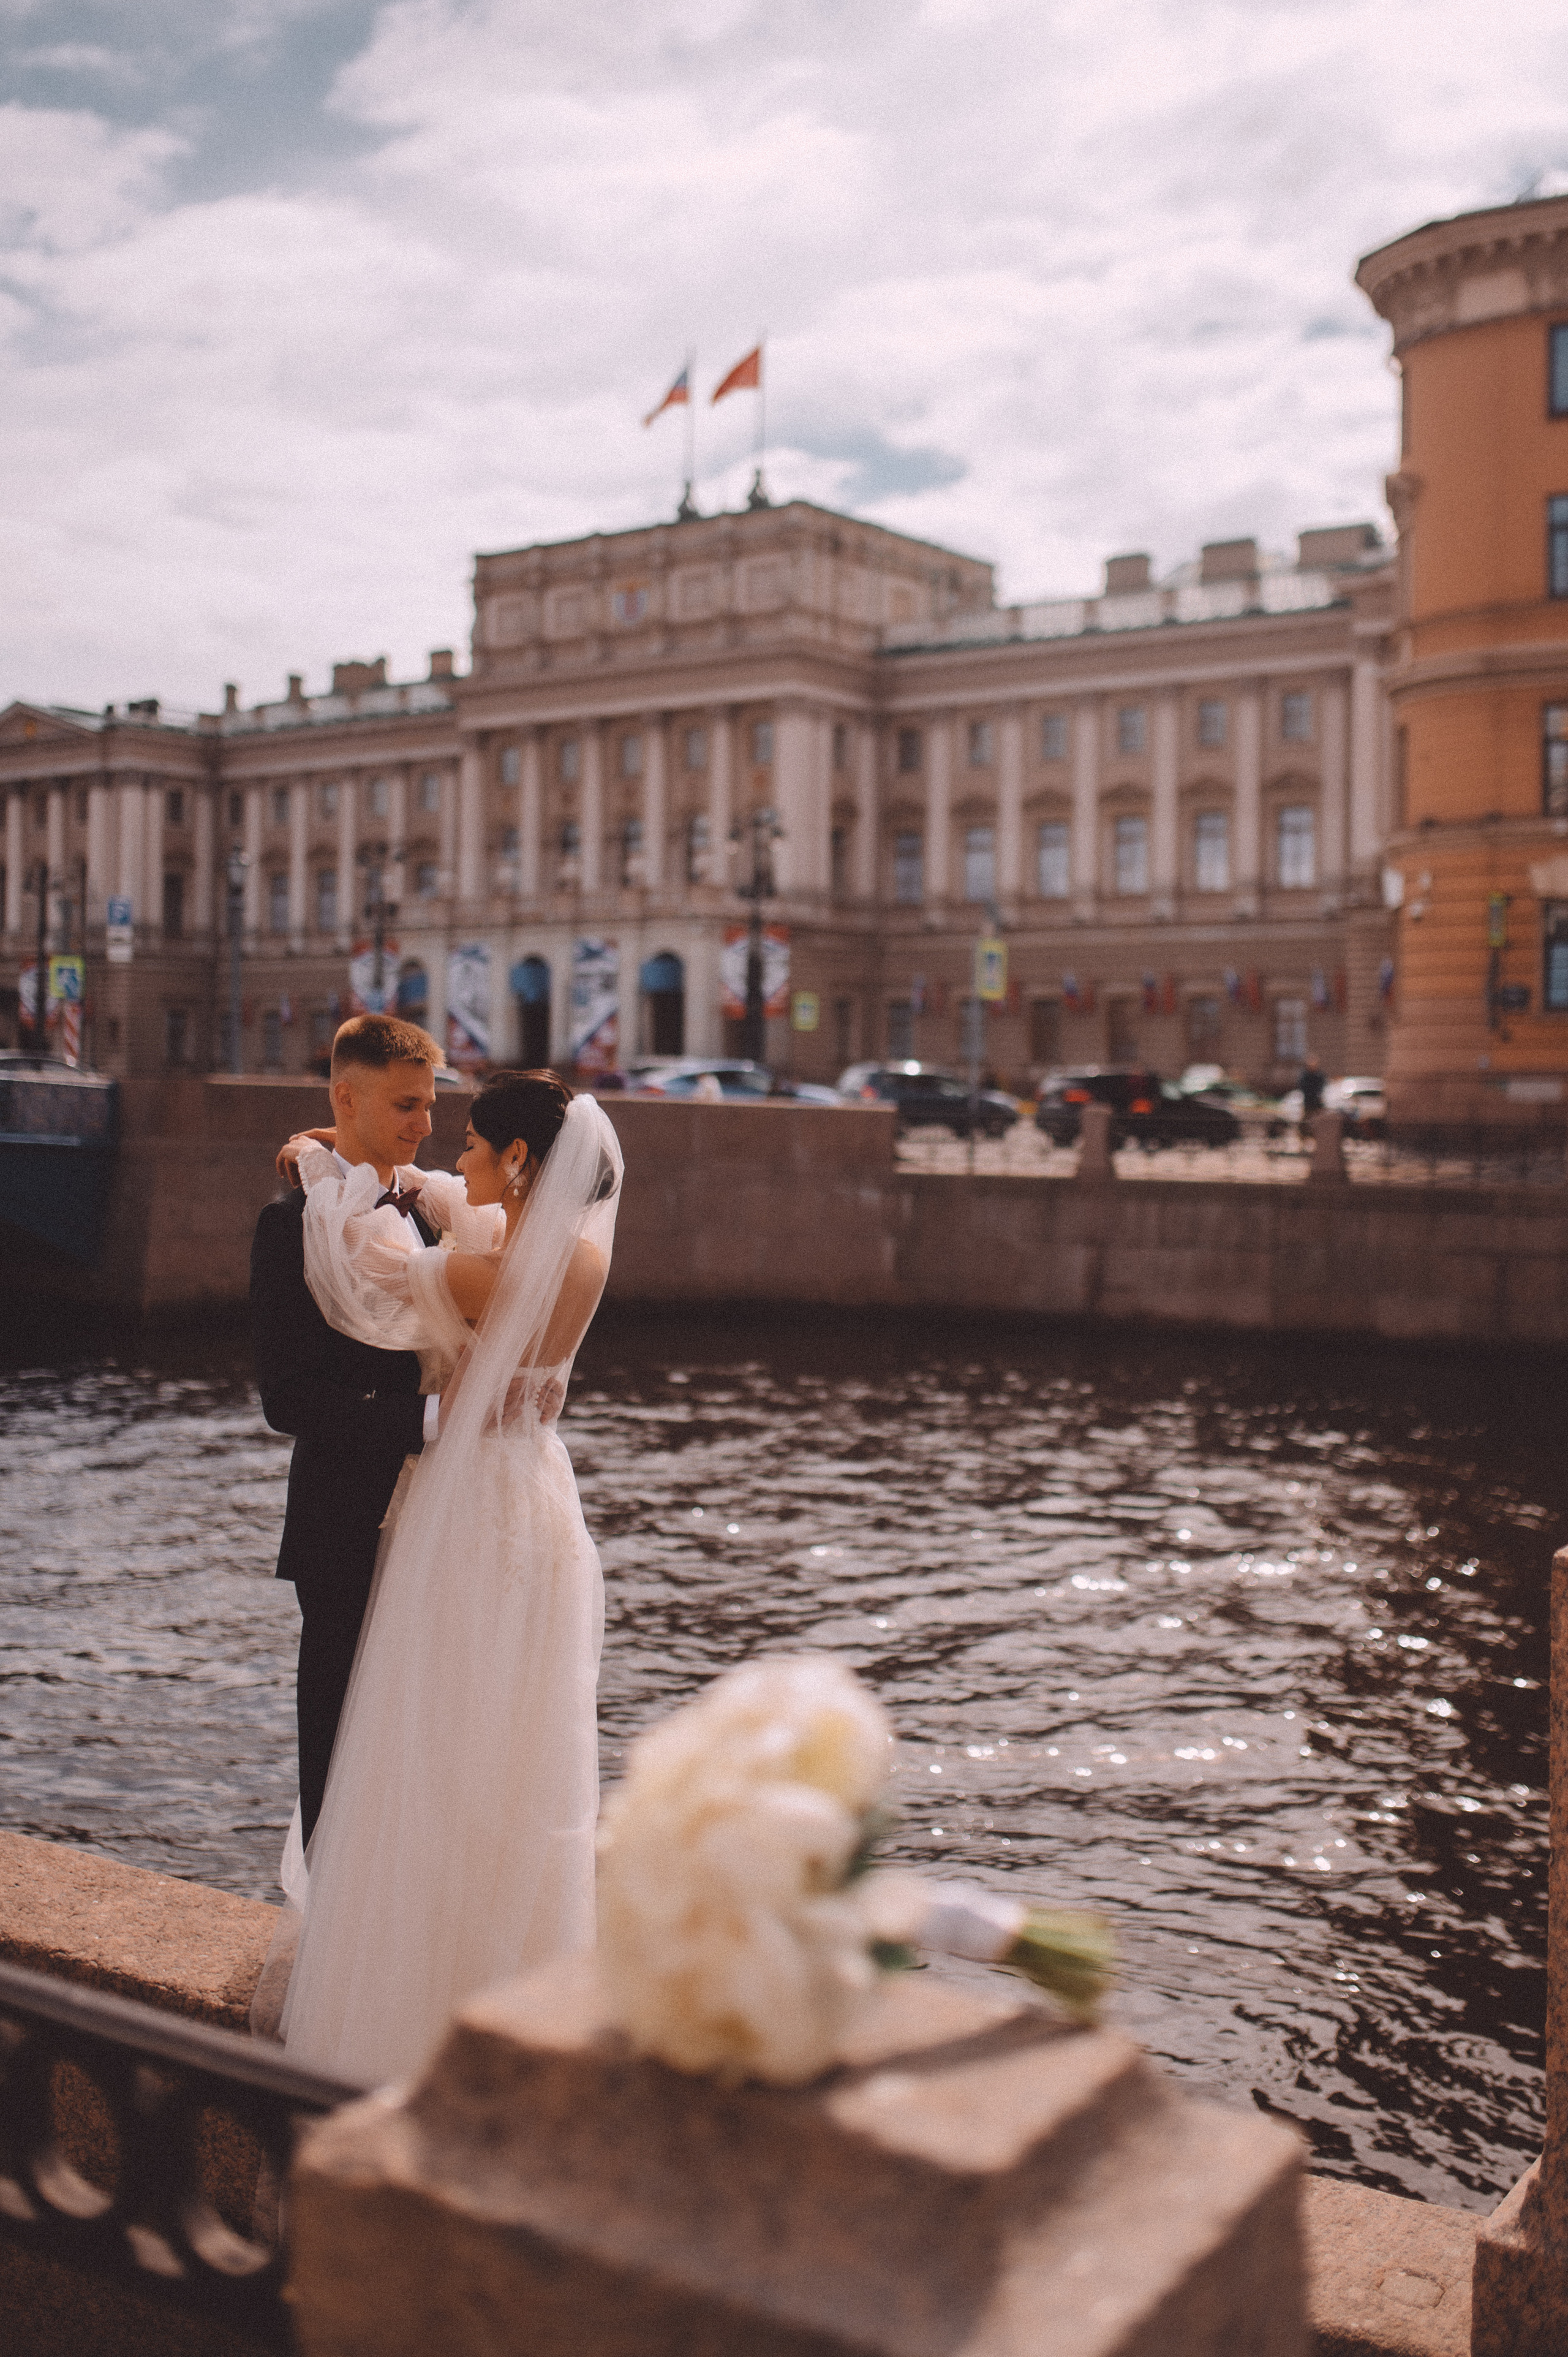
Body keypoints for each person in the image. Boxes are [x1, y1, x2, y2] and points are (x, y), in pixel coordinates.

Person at [268, 1068, 621, 2087]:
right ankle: (507, 1978)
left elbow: (367, 1263)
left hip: (467, 1504)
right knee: (515, 1743)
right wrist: (410, 1180)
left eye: (472, 1143)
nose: (453, 1158)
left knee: (430, 1731)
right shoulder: (579, 1258)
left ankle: (402, 2000)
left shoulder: (492, 1277)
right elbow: (450, 1202)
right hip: (542, 1504)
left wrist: (329, 1172)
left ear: (516, 1161)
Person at [250, 1013, 445, 1847]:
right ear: (346, 1098)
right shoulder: (284, 1225)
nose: (423, 1123)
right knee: (336, 1745)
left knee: (419, 1738)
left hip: (431, 1518)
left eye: (430, 1104)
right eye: (405, 1104)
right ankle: (331, 1934)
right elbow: (288, 1397)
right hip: (341, 1524)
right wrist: (429, 1421)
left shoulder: (426, 1210)